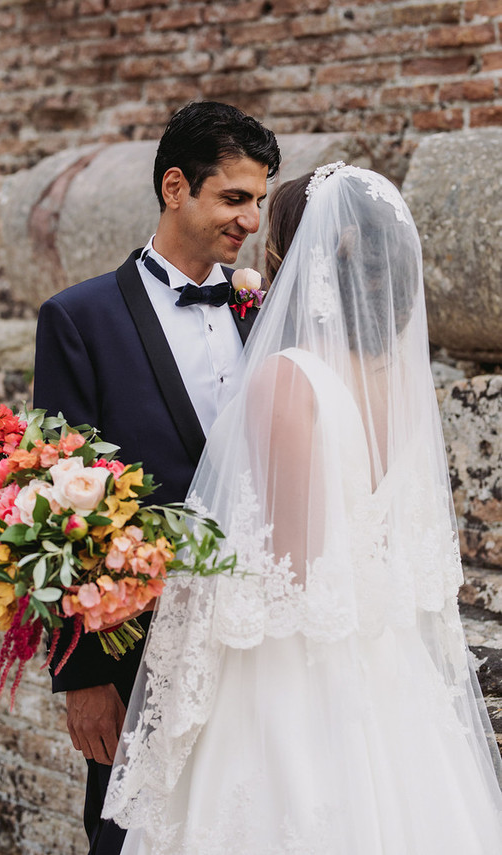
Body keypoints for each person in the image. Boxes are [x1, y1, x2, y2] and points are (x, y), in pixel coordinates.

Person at [102, 163, 502, 854]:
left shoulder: (289, 379)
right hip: (386, 661)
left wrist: (182, 573)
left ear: (299, 255)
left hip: (288, 675)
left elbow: (286, 571)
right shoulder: (404, 386)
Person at [32, 100, 281, 855]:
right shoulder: (79, 319)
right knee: (124, 833)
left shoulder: (261, 311)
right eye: (233, 197)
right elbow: (59, 503)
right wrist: (81, 677)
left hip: (255, 644)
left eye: (261, 202)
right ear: (176, 187)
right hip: (137, 646)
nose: (251, 220)